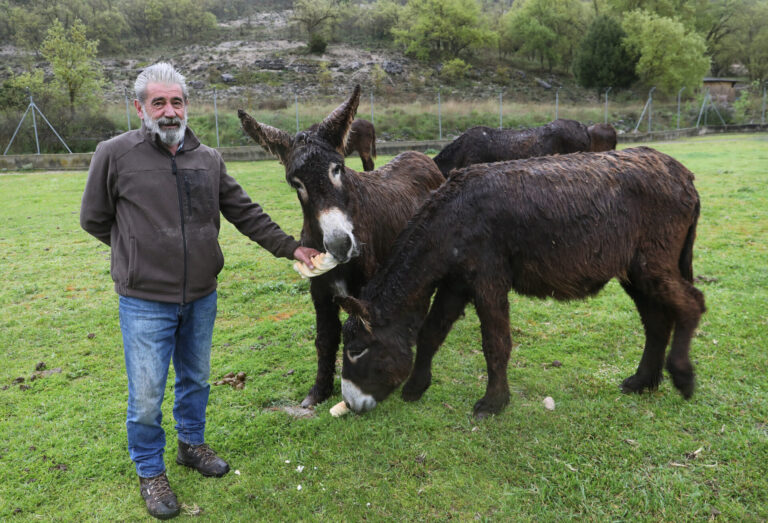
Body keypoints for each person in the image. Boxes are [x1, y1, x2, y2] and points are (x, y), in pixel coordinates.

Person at [80, 62, 319, 520]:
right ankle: (151, 470)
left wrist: (291, 247)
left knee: (196, 379)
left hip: (201, 295)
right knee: (147, 394)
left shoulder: (207, 159)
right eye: (158, 103)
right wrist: (135, 250)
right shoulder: (114, 154)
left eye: (176, 102)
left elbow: (244, 212)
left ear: (185, 106)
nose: (169, 112)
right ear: (140, 108)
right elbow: (94, 218)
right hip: (144, 300)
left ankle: (191, 445)